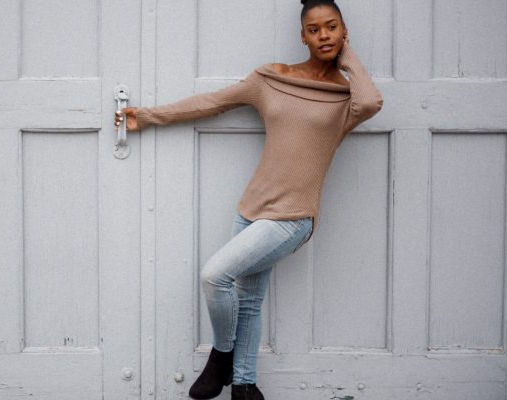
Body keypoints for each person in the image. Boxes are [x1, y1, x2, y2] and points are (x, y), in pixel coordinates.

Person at [114, 0, 382, 399]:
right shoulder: (272, 78)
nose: (323, 35)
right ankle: (244, 386)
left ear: (344, 32)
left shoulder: (347, 98)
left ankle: (221, 357)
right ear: (302, 35)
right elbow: (214, 102)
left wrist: (349, 57)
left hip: (293, 218)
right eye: (314, 29)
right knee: (249, 301)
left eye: (332, 27)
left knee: (214, 275)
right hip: (251, 209)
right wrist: (148, 116)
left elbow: (372, 102)